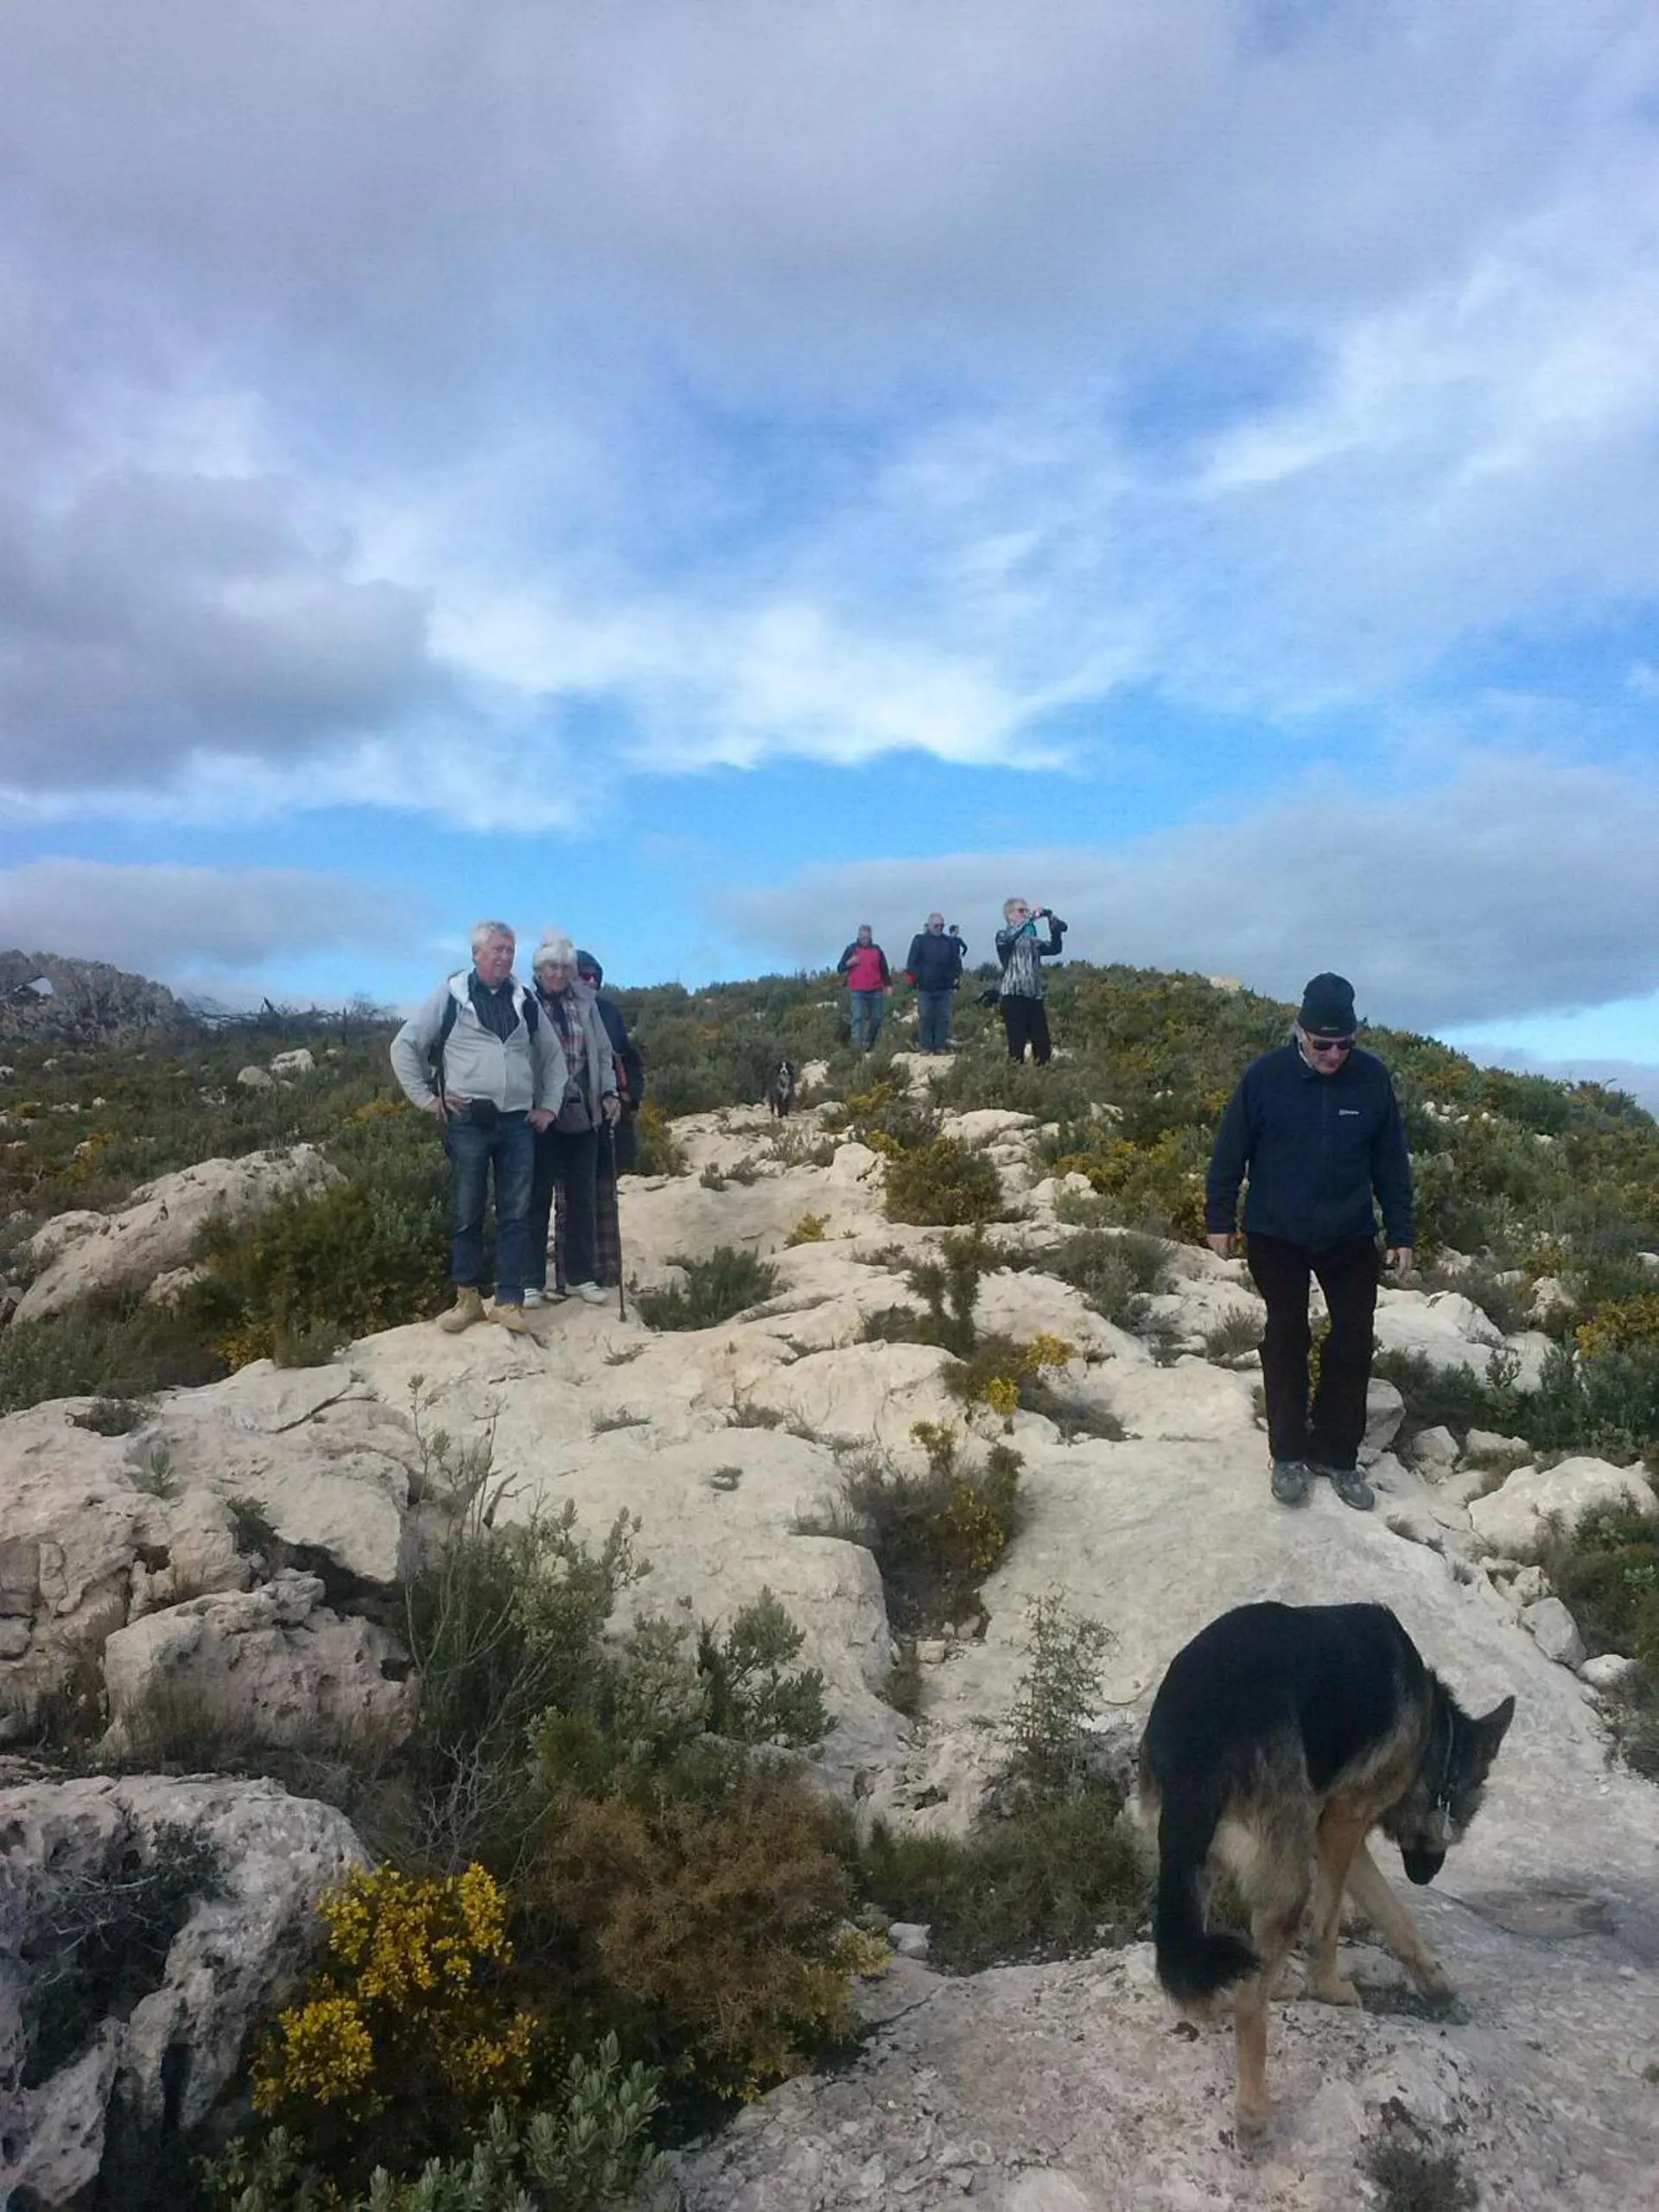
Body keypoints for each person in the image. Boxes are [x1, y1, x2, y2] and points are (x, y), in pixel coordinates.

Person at [1205, 972, 1414, 1512]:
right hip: (1277, 1231)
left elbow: (1391, 1162)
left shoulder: (1372, 1079)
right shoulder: (1265, 1077)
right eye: (1323, 1044)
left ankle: (1337, 1455)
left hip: (1348, 1232)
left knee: (1353, 1338)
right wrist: (1219, 1218)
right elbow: (1230, 1152)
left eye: (1345, 1044)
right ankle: (1289, 1453)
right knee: (1287, 1335)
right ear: (1300, 1033)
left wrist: (1402, 1231)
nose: (1334, 1055)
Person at [390, 920, 564, 1335]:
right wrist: (427, 1099)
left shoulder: (525, 1001)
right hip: (468, 1121)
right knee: (468, 1211)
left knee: (515, 1214)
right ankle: (467, 1299)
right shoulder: (452, 996)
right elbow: (405, 1046)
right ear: (477, 954)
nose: (505, 957)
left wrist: (550, 1107)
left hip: (518, 1122)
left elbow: (554, 1058)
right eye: (497, 949)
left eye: (510, 949)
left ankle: (509, 1301)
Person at [527, 936, 620, 1306]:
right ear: (539, 970)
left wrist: (610, 1092)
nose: (558, 973)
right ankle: (531, 1280)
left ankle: (582, 1275)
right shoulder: (525, 1003)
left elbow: (601, 1052)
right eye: (552, 966)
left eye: (564, 967)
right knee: (536, 1197)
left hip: (583, 1108)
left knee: (582, 1197)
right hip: (539, 1113)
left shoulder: (585, 1002)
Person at [575, 949, 645, 1289]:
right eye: (583, 975)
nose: (590, 982)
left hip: (612, 1114)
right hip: (573, 1117)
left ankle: (609, 1270)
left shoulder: (609, 1011)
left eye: (594, 976)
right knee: (572, 1199)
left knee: (606, 1193)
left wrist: (630, 1096)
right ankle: (574, 1274)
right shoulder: (559, 1012)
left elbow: (629, 1058)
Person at [994, 898, 1067, 1064]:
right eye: (1021, 911)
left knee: (1042, 1043)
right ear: (1009, 915)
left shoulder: (1033, 941)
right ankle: (1013, 1081)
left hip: (1034, 996)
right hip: (1013, 995)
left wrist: (1055, 930)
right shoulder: (1002, 935)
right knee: (1016, 1044)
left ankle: (1043, 1080)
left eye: (1026, 910)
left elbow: (1055, 949)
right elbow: (1010, 937)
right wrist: (1032, 917)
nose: (1025, 914)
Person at [906, 912, 967, 1053]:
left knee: (943, 1017)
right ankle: (925, 1046)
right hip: (925, 987)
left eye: (941, 926)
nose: (939, 928)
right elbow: (911, 963)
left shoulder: (949, 942)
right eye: (936, 925)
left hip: (945, 987)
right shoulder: (919, 940)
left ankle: (940, 1045)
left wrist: (955, 978)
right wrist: (918, 979)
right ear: (929, 926)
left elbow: (956, 962)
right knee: (926, 1016)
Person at [836, 924, 892, 1050]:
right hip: (857, 990)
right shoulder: (851, 949)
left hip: (875, 989)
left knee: (877, 1018)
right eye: (863, 937)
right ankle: (857, 1048)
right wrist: (849, 962)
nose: (865, 940)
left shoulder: (877, 950)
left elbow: (884, 969)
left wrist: (888, 985)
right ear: (859, 936)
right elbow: (840, 968)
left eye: (867, 937)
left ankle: (869, 1042)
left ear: (871, 936)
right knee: (858, 1018)